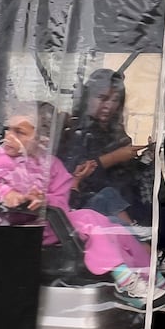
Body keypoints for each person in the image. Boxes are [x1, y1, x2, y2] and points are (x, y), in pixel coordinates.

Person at [0, 112, 165, 313]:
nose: (9, 136)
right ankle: (125, 280)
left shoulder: (51, 166)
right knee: (92, 220)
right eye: (7, 130)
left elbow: (60, 202)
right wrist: (4, 192)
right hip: (13, 231)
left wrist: (43, 199)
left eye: (20, 132)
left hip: (48, 225)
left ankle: (152, 279)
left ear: (42, 140)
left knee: (110, 225)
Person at [59, 68, 153, 228]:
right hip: (92, 209)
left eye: (115, 100)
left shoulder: (115, 132)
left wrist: (146, 158)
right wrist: (115, 157)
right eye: (102, 98)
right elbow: (73, 174)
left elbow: (127, 174)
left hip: (128, 202)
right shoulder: (75, 131)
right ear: (87, 98)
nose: (109, 105)